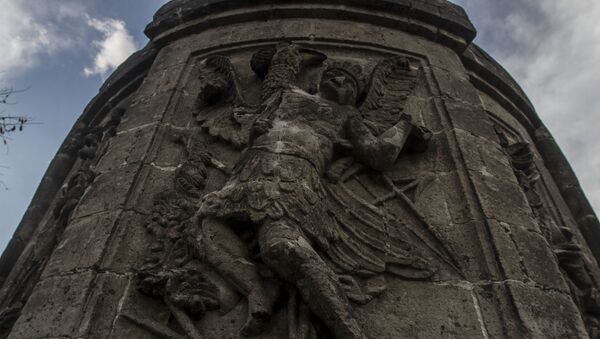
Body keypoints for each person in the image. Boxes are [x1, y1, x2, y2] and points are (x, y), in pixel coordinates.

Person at [196, 44, 414, 338]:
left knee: (281, 246)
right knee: (205, 224)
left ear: (356, 95)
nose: (339, 82)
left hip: (295, 175)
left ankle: (349, 330)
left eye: (348, 82)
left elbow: (379, 154)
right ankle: (258, 294)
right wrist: (256, 127)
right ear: (319, 79)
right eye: (334, 76)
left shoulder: (347, 115)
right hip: (253, 166)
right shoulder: (287, 94)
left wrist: (404, 126)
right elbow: (275, 82)